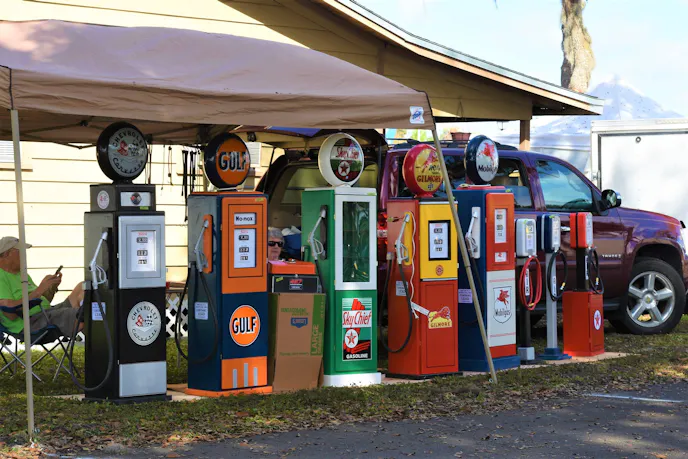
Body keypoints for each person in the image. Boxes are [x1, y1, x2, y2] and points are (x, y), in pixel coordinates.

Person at [0, 236, 84, 337]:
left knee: (83, 287)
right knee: (86, 314)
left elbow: (43, 301)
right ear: (6, 254)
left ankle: (79, 320)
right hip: (31, 322)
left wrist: (51, 288)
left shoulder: (22, 274)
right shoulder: (1, 276)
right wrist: (39, 290)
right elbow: (10, 313)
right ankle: (94, 340)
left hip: (47, 313)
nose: (24, 255)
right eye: (20, 251)